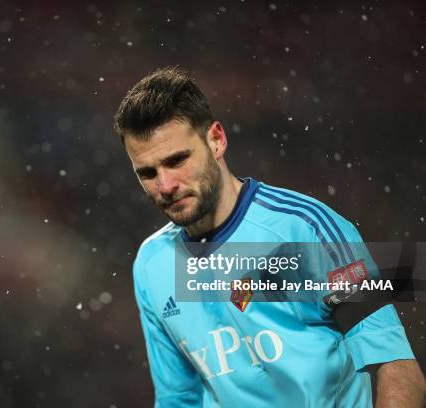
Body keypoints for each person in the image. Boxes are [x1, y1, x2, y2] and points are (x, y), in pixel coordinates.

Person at [114, 67, 425, 407]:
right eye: (147, 172)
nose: (166, 185)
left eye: (177, 160)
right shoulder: (151, 265)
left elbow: (397, 368)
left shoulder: (307, 230)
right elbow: (178, 398)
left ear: (216, 139)